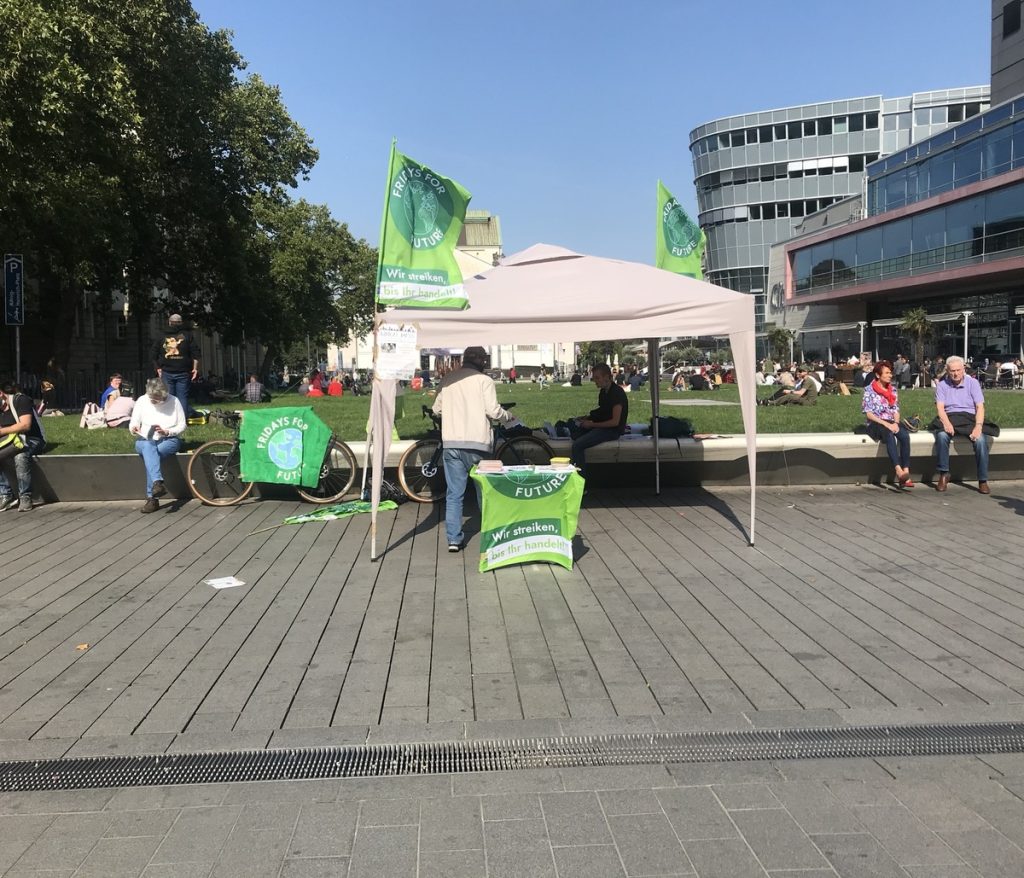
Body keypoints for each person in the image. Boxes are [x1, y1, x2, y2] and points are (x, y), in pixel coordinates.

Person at [432, 345, 514, 552]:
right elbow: (493, 411)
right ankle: (491, 535)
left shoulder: (449, 379)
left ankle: (453, 539)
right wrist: (508, 417)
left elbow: (436, 409)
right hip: (478, 444)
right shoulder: (484, 381)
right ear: (481, 361)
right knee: (484, 492)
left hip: (451, 443)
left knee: (454, 493)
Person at [933, 355, 990, 494]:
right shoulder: (942, 385)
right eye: (952, 370)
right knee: (941, 436)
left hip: (969, 418)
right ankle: (943, 474)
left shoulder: (973, 383)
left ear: (964, 369)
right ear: (947, 370)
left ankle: (982, 479)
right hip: (950, 417)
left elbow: (980, 407)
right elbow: (940, 408)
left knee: (981, 441)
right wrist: (946, 423)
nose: (956, 373)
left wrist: (978, 426)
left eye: (958, 370)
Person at [129, 378, 186, 513]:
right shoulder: (142, 401)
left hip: (168, 439)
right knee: (149, 448)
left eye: (159, 399)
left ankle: (152, 498)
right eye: (152, 399)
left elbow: (182, 425)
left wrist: (167, 431)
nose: (155, 401)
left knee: (152, 456)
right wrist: (135, 428)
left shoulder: (174, 401)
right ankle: (157, 483)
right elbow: (133, 422)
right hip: (146, 439)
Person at [570, 363, 628, 481]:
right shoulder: (603, 392)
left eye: (597, 378)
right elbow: (603, 412)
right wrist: (587, 417)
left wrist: (591, 424)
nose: (594, 381)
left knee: (577, 445)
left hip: (612, 430)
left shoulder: (617, 393)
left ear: (607, 377)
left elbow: (615, 422)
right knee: (574, 431)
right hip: (604, 427)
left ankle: (581, 483)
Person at [863, 360, 914, 487]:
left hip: (891, 421)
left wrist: (896, 423)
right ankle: (898, 471)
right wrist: (887, 425)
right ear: (878, 375)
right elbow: (869, 414)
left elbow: (895, 409)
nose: (890, 375)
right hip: (876, 423)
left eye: (890, 373)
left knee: (904, 436)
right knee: (889, 435)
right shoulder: (869, 390)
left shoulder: (893, 390)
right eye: (886, 373)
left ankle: (906, 471)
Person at [0, 379, 45, 511]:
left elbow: (25, 425)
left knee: (20, 455)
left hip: (32, 438)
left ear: (1, 393)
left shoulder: (21, 400)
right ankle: (5, 494)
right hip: (11, 441)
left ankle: (25, 496)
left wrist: (2, 431)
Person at [153, 313, 198, 418]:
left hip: (167, 371)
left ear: (169, 322)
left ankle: (170, 419)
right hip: (183, 371)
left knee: (168, 397)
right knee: (182, 397)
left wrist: (158, 368)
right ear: (181, 323)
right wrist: (195, 369)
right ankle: (182, 420)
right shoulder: (188, 335)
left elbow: (153, 354)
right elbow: (195, 354)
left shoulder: (161, 335)